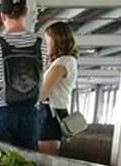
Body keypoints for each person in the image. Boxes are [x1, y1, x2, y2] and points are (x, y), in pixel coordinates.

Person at [0, 0, 49, 150]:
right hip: (31, 111)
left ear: (3, 16)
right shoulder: (41, 44)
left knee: (0, 163)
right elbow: (44, 75)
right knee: (29, 162)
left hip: (1, 111)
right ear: (25, 12)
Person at [38, 22, 79, 155]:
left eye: (48, 41)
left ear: (57, 40)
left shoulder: (63, 62)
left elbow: (42, 93)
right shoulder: (64, 61)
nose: (46, 45)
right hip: (51, 112)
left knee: (46, 159)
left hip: (51, 114)